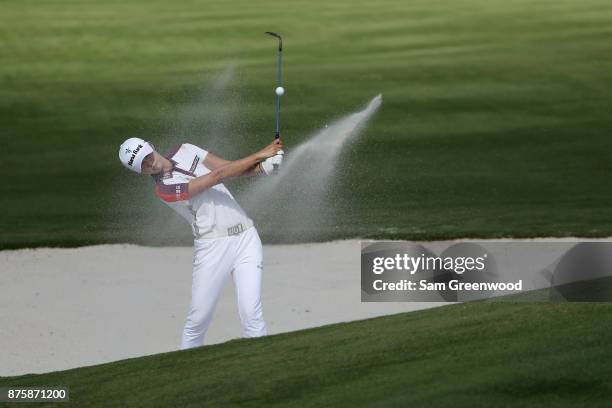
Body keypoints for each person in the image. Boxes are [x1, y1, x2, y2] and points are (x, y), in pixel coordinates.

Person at [118, 137, 284, 349]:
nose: (150, 164)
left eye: (147, 157)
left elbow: (226, 168)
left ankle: (263, 364)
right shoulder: (165, 189)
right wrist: (262, 154)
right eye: (143, 165)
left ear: (151, 145)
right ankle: (186, 370)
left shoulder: (184, 149)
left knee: (252, 313)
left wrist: (262, 168)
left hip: (246, 238)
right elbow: (217, 176)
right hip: (212, 248)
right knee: (198, 320)